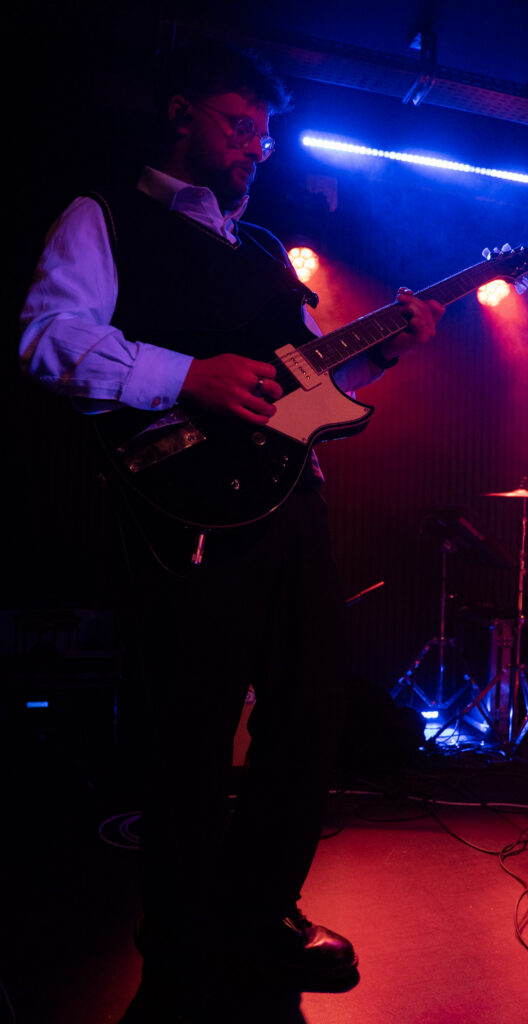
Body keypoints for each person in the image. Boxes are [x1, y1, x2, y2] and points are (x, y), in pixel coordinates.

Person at [19, 37, 444, 1022]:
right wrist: (186, 376)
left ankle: (260, 913)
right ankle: (178, 936)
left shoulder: (259, 249)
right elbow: (48, 338)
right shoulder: (105, 214)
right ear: (181, 115)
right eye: (239, 125)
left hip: (290, 501)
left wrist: (386, 351)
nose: (256, 147)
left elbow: (305, 382)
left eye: (265, 134)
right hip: (185, 502)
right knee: (194, 721)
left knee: (311, 709)